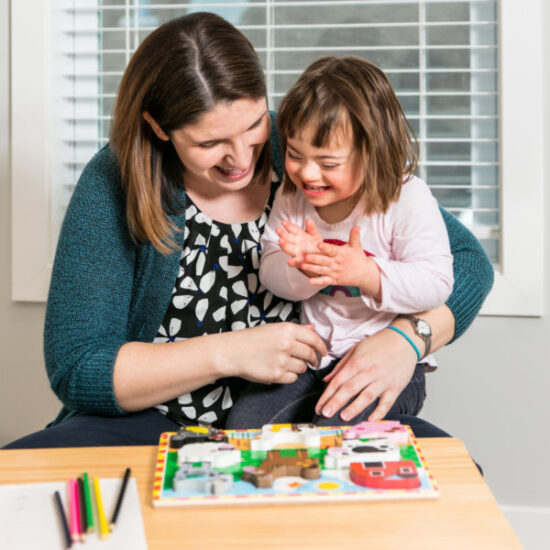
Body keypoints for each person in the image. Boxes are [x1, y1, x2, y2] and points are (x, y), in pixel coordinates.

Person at [4, 12, 493, 449]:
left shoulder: (302, 150)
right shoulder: (115, 179)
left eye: (255, 124)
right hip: (151, 422)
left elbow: (467, 265)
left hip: (300, 416)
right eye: (211, 142)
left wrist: (408, 340)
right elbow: (79, 365)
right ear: (158, 126)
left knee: (449, 474)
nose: (241, 158)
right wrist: (230, 353)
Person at [225, 56, 454, 428]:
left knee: (335, 434)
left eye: (328, 164)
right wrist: (298, 268)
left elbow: (436, 284)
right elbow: (269, 270)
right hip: (314, 357)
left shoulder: (406, 198)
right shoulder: (293, 194)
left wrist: (366, 274)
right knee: (244, 429)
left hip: (386, 363)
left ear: (373, 152)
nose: (307, 174)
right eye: (296, 155)